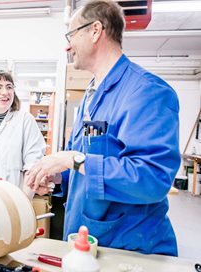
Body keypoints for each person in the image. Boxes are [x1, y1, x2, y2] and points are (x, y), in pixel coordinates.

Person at [27, 0, 180, 256]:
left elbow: (152, 179)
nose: (67, 45)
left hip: (130, 248)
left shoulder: (147, 92)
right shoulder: (91, 93)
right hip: (87, 242)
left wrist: (73, 160)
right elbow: (87, 161)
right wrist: (59, 176)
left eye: (72, 34)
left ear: (95, 31)